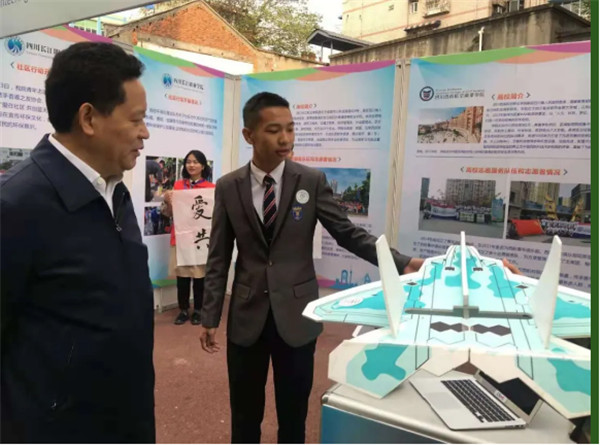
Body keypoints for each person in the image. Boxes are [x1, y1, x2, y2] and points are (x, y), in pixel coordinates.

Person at [199, 92, 424, 443]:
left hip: (297, 316)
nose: (285, 138)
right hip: (246, 316)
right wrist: (210, 315)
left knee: (294, 415)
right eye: (274, 130)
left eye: (290, 129)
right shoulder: (229, 187)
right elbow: (218, 254)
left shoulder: (311, 180)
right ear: (249, 135)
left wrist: (401, 262)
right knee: (244, 415)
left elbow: (347, 234)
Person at [0, 42, 154, 443]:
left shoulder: (115, 192)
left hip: (126, 418)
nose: (145, 133)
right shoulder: (16, 206)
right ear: (88, 118)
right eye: (136, 119)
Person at [162, 150, 215, 325]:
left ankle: (198, 310)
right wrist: (168, 201)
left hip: (201, 240)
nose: (191, 165)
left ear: (203, 165)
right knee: (182, 277)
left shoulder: (211, 189)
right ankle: (183, 310)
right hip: (180, 239)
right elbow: (168, 213)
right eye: (188, 162)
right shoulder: (178, 186)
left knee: (200, 277)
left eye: (196, 162)